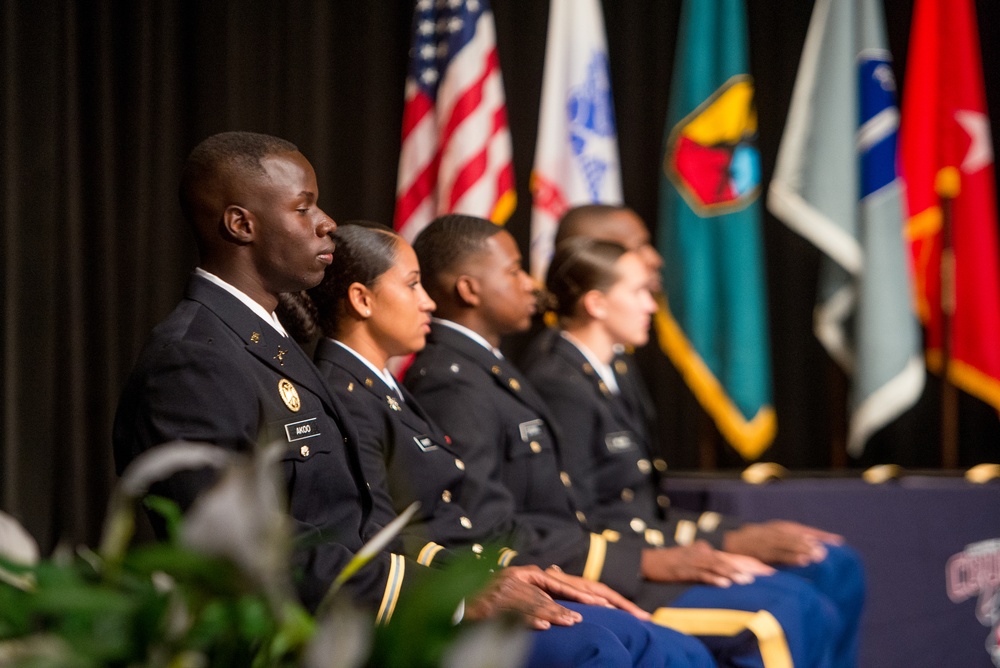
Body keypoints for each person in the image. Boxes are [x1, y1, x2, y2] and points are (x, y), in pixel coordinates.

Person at [111, 132, 690, 665]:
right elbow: (241, 559)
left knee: (627, 638)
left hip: (368, 609)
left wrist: (471, 577)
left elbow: (365, 523)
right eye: (304, 206)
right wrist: (453, 597)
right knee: (595, 650)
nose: (325, 223)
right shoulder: (197, 357)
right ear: (241, 224)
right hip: (314, 639)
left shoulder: (269, 343)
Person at [404, 214, 842, 668]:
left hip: (581, 557)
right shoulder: (458, 383)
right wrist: (644, 561)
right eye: (514, 271)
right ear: (470, 289)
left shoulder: (492, 371)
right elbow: (489, 524)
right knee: (769, 620)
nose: (530, 285)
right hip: (560, 567)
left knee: (810, 591)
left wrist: (715, 538)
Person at [285, 219, 717, 667]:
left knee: (652, 642)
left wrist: (504, 569)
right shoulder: (349, 395)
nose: (428, 302)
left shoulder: (384, 388)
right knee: (604, 646)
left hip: (478, 568)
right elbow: (376, 537)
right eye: (413, 286)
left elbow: (446, 518)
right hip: (419, 603)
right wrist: (479, 578)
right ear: (362, 299)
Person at [535, 205, 866, 667]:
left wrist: (723, 536)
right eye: (638, 287)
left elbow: (643, 499)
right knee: (790, 610)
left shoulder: (618, 366)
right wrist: (701, 548)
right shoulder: (558, 382)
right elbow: (578, 516)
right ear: (596, 300)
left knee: (831, 566)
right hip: (622, 566)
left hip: (649, 541)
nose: (653, 297)